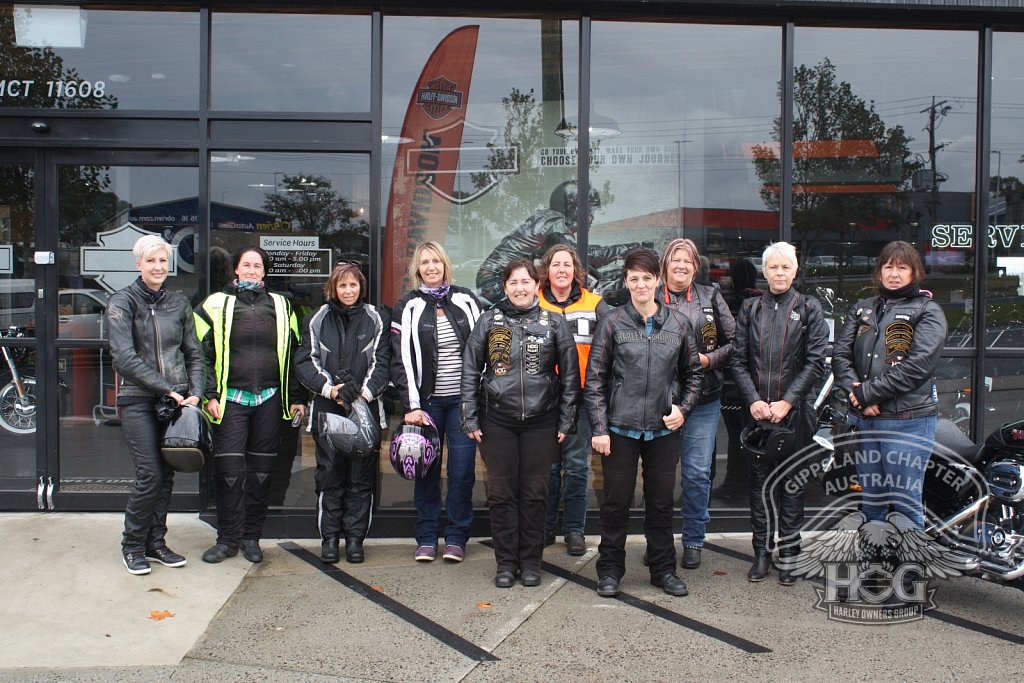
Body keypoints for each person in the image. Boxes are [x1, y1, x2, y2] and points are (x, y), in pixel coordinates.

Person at [586, 249, 703, 598]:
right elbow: (595, 378)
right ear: (626, 281)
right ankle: (609, 570)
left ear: (658, 280)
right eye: (633, 278)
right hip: (620, 428)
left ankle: (663, 570)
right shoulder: (612, 322)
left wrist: (683, 409)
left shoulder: (678, 324)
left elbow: (694, 375)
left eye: (647, 278)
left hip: (663, 428)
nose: (640, 284)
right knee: (615, 502)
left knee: (661, 502)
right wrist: (600, 428)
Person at [461, 258, 580, 588]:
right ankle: (505, 563)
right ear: (505, 286)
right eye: (513, 282)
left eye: (525, 281)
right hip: (496, 421)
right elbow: (470, 370)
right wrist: (469, 416)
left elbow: (570, 377)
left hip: (542, 423)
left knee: (534, 494)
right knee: (500, 494)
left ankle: (530, 562)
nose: (519, 288)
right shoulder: (488, 321)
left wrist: (566, 419)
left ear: (536, 285)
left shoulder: (555, 324)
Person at [194, 247, 306, 565]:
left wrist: (297, 398)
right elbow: (198, 354)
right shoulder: (215, 304)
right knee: (229, 472)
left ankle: (251, 538)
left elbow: (296, 355)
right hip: (230, 401)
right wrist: (210, 394)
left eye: (258, 265)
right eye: (247, 265)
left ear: (265, 271)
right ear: (236, 270)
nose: (252, 270)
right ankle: (227, 539)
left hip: (269, 400)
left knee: (260, 474)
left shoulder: (283, 305)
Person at [730, 242, 828, 585]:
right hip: (757, 413)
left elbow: (816, 361)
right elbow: (738, 360)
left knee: (791, 485)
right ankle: (761, 553)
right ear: (764, 270)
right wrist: (754, 400)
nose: (780, 273)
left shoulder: (809, 308)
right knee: (758, 485)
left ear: (795, 270)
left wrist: (787, 401)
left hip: (794, 412)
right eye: (774, 267)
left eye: (786, 267)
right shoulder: (749, 308)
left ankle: (789, 555)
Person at [831, 241, 947, 531]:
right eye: (888, 266)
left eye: (902, 267)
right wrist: (856, 393)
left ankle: (912, 571)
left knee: (905, 500)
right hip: (867, 421)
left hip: (907, 422)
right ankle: (876, 562)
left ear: (914, 272)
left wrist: (866, 393)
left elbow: (917, 366)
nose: (894, 273)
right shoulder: (863, 309)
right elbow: (840, 356)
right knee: (872, 500)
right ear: (879, 271)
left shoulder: (928, 311)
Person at [106, 234, 204, 575]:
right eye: (151, 261)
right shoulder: (122, 301)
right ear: (139, 264)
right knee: (149, 473)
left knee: (165, 476)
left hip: (175, 401)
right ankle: (132, 545)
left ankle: (156, 543)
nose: (158, 267)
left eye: (163, 260)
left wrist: (196, 392)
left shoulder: (179, 303)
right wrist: (166, 387)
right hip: (138, 399)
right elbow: (123, 358)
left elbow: (194, 353)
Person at [391, 240, 483, 563]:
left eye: (436, 261)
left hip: (462, 404)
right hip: (425, 405)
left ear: (445, 265)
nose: (431, 267)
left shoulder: (467, 299)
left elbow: (482, 350)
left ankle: (457, 537)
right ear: (418, 269)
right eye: (425, 262)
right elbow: (400, 359)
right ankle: (427, 537)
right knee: (425, 470)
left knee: (461, 471)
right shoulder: (408, 305)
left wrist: (477, 398)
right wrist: (412, 406)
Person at [295, 262, 391, 564]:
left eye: (353, 285)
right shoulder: (316, 319)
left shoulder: (376, 318)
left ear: (361, 286)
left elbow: (383, 363)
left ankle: (354, 541)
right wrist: (332, 389)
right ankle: (329, 539)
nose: (348, 291)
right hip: (327, 407)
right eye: (342, 286)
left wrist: (361, 394)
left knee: (360, 480)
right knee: (329, 476)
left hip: (364, 407)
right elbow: (305, 362)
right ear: (332, 288)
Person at [657, 239, 735, 570]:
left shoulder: (711, 296)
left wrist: (708, 359)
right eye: (675, 260)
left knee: (698, 473)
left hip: (704, 400)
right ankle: (657, 541)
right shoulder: (651, 296)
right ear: (665, 264)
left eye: (687, 261)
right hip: (658, 402)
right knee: (658, 475)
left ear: (695, 266)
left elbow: (734, 342)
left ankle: (693, 540)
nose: (681, 266)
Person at [538, 245, 609, 556]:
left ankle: (574, 531)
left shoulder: (596, 304)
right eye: (556, 264)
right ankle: (546, 527)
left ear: (576, 270)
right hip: (544, 398)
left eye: (567, 264)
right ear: (547, 270)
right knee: (548, 467)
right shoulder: (534, 301)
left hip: (581, 398)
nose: (562, 270)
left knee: (578, 467)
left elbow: (611, 345)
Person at [475, 180, 639, 303]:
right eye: (589, 210)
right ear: (574, 209)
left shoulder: (546, 220)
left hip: (502, 282)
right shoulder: (551, 222)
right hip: (496, 283)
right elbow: (579, 254)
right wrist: (626, 249)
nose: (591, 217)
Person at [717, 258, 763, 499]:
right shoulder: (762, 300)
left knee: (736, 437)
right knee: (748, 436)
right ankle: (746, 486)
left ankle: (734, 485)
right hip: (755, 380)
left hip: (731, 380)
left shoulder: (731, 301)